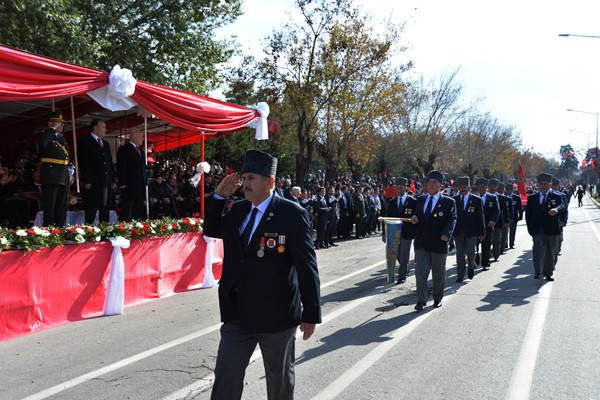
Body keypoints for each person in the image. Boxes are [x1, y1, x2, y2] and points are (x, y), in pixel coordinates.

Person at [203, 149, 321, 400]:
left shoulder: (292, 214)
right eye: (244, 178)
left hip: (276, 317)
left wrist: (311, 311)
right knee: (225, 374)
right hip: (238, 315)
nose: (245, 183)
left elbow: (306, 265)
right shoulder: (237, 210)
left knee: (278, 383)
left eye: (252, 178)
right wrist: (218, 197)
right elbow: (212, 229)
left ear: (270, 182)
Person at [410, 170, 456, 311]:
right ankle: (421, 299)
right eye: (429, 183)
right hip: (422, 242)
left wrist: (446, 234)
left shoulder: (448, 202)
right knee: (421, 272)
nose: (430, 185)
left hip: (439, 242)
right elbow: (415, 215)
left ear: (440, 186)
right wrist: (413, 218)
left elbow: (452, 219)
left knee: (438, 272)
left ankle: (437, 297)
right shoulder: (420, 199)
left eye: (434, 183)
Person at [525, 173, 566, 281]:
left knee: (550, 250)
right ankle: (538, 271)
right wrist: (530, 228)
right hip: (537, 229)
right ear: (538, 184)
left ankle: (549, 272)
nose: (543, 186)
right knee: (537, 249)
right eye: (541, 184)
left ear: (550, 184)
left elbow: (562, 206)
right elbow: (528, 215)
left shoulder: (557, 196)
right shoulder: (532, 198)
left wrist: (556, 210)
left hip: (552, 228)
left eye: (545, 183)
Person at [36, 110, 70, 227]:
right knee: (50, 207)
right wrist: (52, 128)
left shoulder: (61, 138)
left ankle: (59, 230)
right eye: (60, 122)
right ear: (53, 123)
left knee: (61, 207)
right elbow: (43, 143)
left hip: (63, 175)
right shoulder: (43, 135)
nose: (63, 125)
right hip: (50, 175)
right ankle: (49, 232)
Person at [77, 119, 114, 224]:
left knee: (105, 208)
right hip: (93, 182)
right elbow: (84, 162)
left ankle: (104, 232)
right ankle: (89, 232)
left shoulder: (105, 144)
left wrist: (112, 180)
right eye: (103, 127)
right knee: (91, 208)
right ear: (95, 128)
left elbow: (109, 162)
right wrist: (87, 180)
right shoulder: (85, 142)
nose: (105, 130)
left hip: (105, 181)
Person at [382, 177, 417, 284]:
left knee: (405, 253)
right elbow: (387, 218)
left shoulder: (412, 201)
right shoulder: (392, 202)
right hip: (394, 232)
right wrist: (384, 233)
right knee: (396, 254)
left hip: (407, 232)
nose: (399, 190)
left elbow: (416, 214)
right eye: (397, 188)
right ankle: (404, 267)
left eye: (401, 188)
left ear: (406, 188)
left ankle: (402, 275)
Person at [452, 176, 485, 282]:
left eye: (465, 186)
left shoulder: (476, 200)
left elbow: (480, 217)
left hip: (472, 231)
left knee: (471, 252)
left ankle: (471, 265)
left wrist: (482, 232)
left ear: (469, 187)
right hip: (458, 232)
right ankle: (460, 275)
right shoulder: (453, 199)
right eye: (461, 187)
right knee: (460, 254)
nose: (463, 189)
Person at [117, 129, 147, 221]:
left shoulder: (141, 151)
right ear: (134, 136)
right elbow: (122, 166)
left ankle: (137, 227)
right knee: (128, 209)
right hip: (129, 184)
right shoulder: (124, 149)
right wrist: (122, 182)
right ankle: (126, 228)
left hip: (140, 184)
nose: (143, 138)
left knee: (138, 208)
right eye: (141, 136)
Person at [476, 178, 500, 270]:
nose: (481, 188)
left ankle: (485, 263)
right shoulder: (473, 198)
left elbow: (496, 210)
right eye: (479, 187)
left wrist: (493, 221)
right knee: (475, 245)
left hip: (488, 225)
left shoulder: (493, 197)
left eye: (483, 187)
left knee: (486, 245)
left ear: (486, 187)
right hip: (476, 226)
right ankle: (475, 260)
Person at [508, 183, 523, 249]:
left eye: (510, 189)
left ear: (513, 190)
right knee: (505, 231)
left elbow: (520, 207)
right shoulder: (503, 197)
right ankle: (504, 243)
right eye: (507, 189)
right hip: (505, 217)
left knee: (512, 231)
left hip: (514, 217)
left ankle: (511, 243)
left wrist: (520, 216)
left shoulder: (516, 197)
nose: (509, 191)